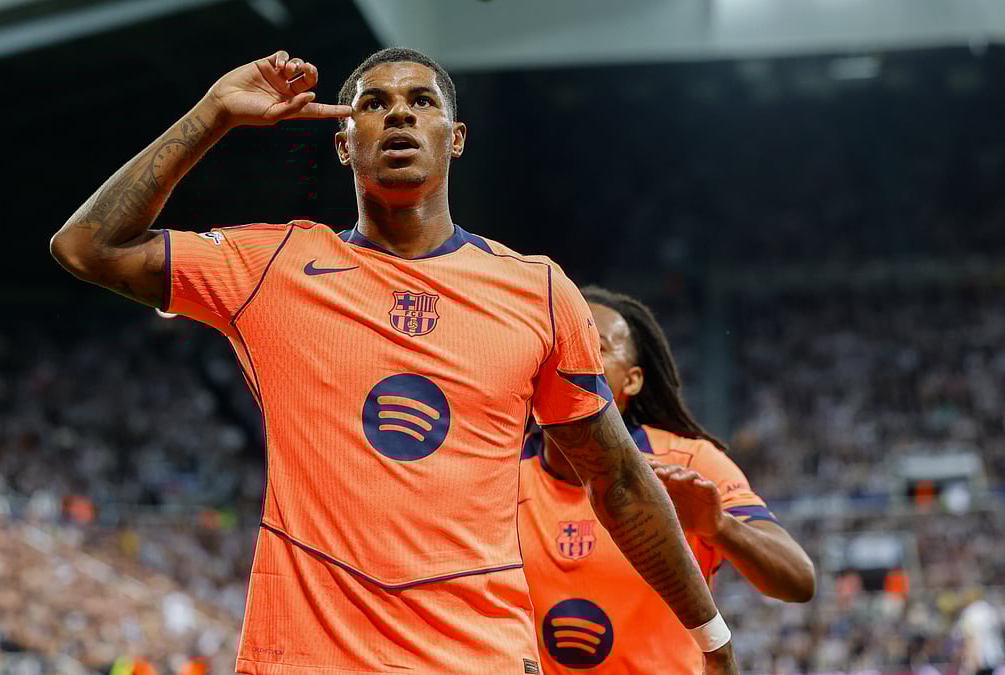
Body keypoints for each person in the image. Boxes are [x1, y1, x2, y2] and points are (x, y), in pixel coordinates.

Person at [50, 47, 739, 674]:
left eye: (422, 101)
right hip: (307, 658)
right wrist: (215, 113)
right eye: (373, 104)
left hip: (476, 658)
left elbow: (616, 478)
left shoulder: (537, 289)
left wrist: (711, 636)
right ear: (344, 144)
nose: (399, 114)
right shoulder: (273, 268)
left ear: (455, 138)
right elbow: (86, 247)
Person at [519, 287, 815, 673]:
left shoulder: (690, 464)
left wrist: (719, 528)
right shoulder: (496, 469)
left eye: (596, 345)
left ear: (633, 381)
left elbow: (798, 581)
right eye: (556, 342)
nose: (567, 355)